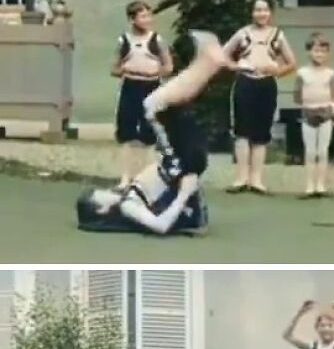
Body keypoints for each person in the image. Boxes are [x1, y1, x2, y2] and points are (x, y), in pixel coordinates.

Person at [77, 31, 227, 235]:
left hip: (179, 162)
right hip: (183, 166)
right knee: (152, 105)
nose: (105, 191)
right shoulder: (127, 206)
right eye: (99, 195)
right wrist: (185, 193)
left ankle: (208, 64)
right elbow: (160, 225)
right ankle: (208, 63)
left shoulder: (130, 197)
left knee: (166, 104)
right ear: (102, 209)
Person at [224, 0, 297, 195]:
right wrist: (236, 65)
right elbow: (222, 56)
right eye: (257, 10)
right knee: (241, 131)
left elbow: (292, 63)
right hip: (244, 83)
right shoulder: (242, 34)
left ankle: (257, 179)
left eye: (265, 10)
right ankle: (241, 178)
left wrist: (276, 71)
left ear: (271, 12)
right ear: (251, 12)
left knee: (261, 133)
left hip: (266, 85)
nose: (261, 14)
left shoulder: (277, 35)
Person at [111, 0, 173, 189]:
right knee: (126, 133)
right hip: (130, 86)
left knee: (149, 133)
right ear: (132, 19)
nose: (147, 19)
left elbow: (169, 66)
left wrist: (154, 73)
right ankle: (125, 178)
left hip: (151, 87)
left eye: (149, 15)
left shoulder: (157, 40)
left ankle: (146, 179)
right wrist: (125, 69)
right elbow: (113, 68)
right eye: (143, 16)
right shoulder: (124, 41)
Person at [294, 33, 334, 198]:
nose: (319, 54)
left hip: (325, 114)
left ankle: (320, 185)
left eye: (323, 51)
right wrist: (307, 105)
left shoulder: (330, 73)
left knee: (322, 151)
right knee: (310, 151)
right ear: (309, 51)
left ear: (327, 53)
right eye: (315, 50)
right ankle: (309, 186)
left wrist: (331, 108)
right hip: (308, 112)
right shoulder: (302, 73)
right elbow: (297, 95)